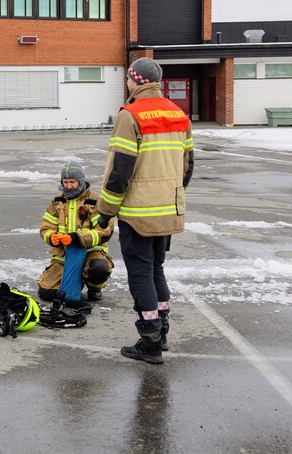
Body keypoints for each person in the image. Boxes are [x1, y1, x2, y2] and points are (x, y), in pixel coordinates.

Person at [96, 57, 194, 364]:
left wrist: (105, 211)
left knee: (140, 273)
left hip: (138, 213)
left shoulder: (130, 115)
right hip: (168, 209)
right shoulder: (178, 114)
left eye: (128, 78)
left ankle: (149, 341)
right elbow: (187, 165)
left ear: (135, 80)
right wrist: (171, 194)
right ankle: (161, 333)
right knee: (156, 270)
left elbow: (120, 170)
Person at [37, 162, 114, 305]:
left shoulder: (95, 201)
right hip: (65, 255)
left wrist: (77, 238)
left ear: (81, 181)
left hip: (92, 252)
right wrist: (52, 237)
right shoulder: (57, 202)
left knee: (99, 269)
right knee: (46, 293)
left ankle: (94, 287)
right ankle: (75, 281)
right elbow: (46, 228)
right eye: (65, 182)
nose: (69, 186)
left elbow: (105, 231)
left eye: (72, 182)